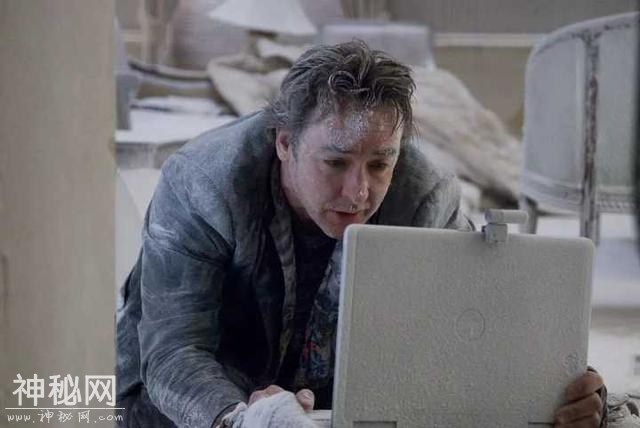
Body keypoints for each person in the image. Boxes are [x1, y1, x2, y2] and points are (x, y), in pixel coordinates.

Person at [116, 41, 606, 427]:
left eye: (379, 164)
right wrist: (242, 419)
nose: (358, 192)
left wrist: (561, 389)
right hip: (192, 398)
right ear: (284, 143)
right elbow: (174, 352)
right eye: (335, 162)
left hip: (333, 400)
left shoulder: (425, 195)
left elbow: (473, 327)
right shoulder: (204, 183)